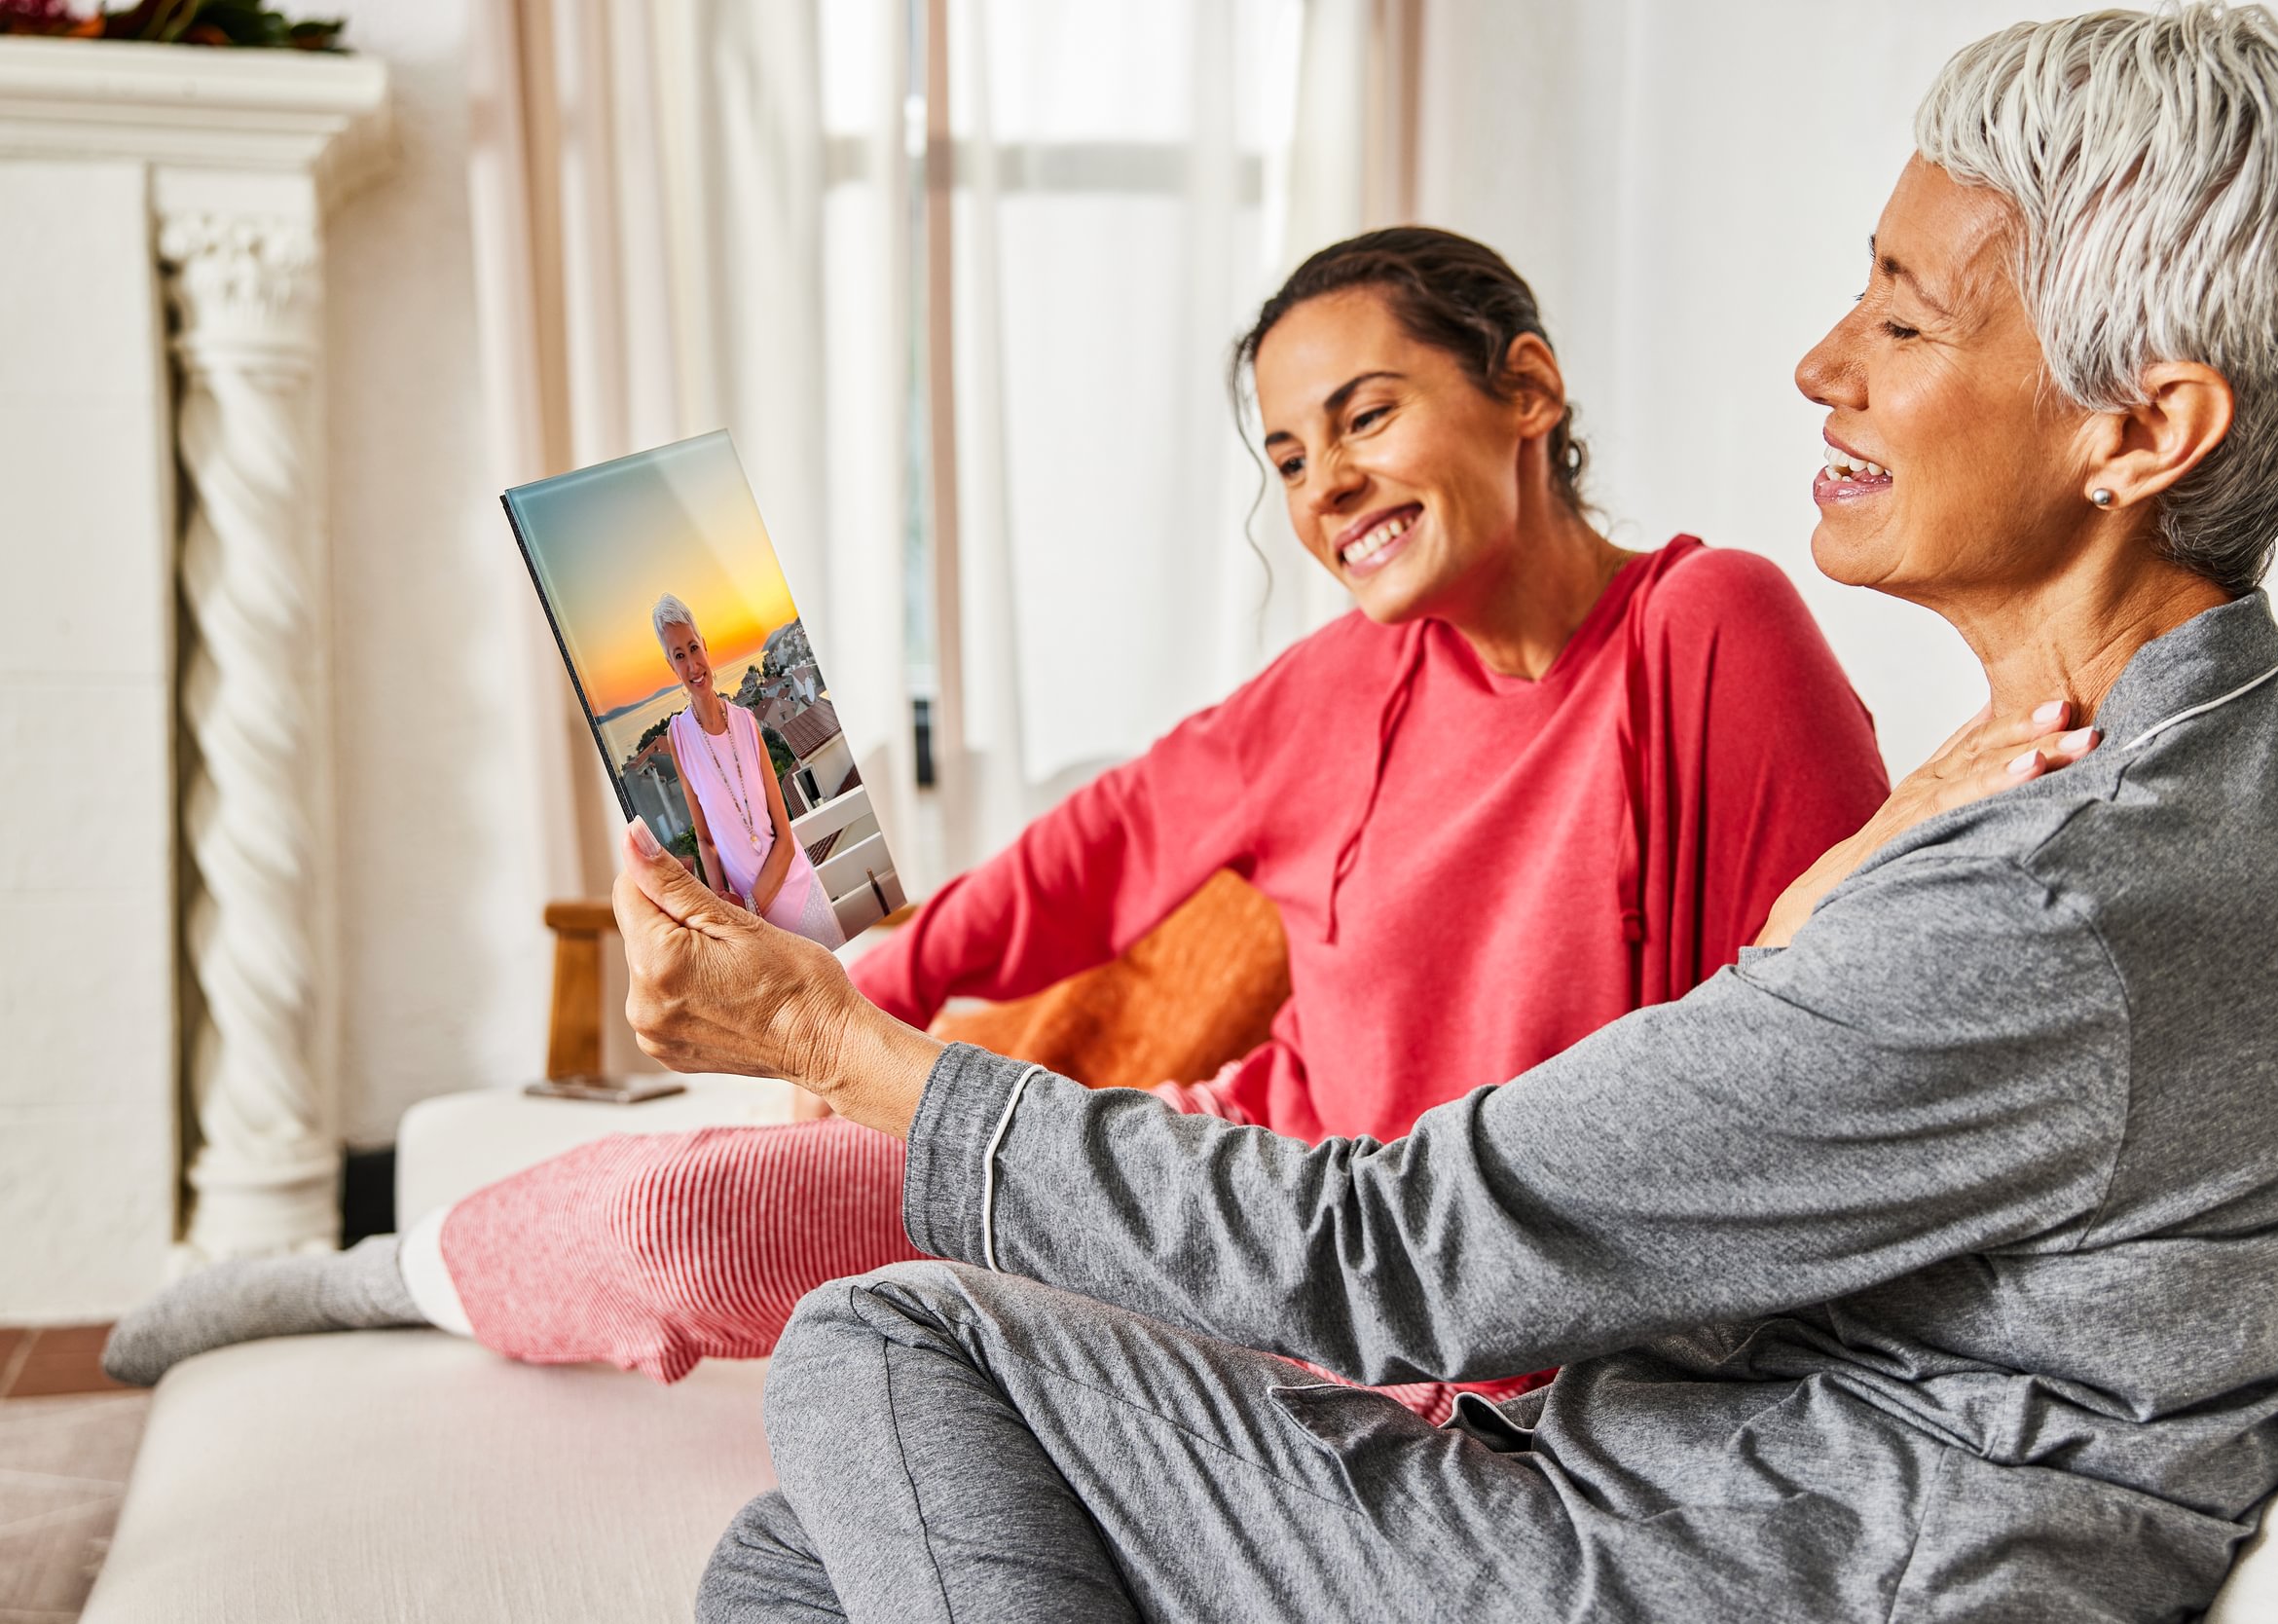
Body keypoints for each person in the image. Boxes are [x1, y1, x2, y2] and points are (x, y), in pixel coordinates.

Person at [613, 9, 2278, 1621]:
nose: (1822, 364)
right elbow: (1099, 863)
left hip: (1738, 1550)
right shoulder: (2182, 782)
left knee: (892, 1336)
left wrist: (837, 1044)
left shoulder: (2045, 869)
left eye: (1901, 315)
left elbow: (1404, 1251)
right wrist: (1835, 905)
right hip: (1676, 1459)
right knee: (796, 1556)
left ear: (2144, 430)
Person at [102, 231, 1909, 1415]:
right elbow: (1096, 852)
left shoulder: (1706, 628)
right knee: (702, 1217)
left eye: (1367, 413)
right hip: (1209, 1192)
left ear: (1527, 390)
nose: (1330, 481)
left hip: (1444, 1296)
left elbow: (1830, 1032)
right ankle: (371, 1277)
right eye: (1287, 457)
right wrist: (849, 978)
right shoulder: (1337, 686)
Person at [650, 594, 847, 949]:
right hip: (755, 928)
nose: (692, 665)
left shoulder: (747, 723)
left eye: (694, 648)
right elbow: (706, 840)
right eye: (679, 655)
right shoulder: (678, 737)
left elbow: (785, 839)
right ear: (671, 665)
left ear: (705, 647)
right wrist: (725, 912)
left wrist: (749, 908)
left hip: (798, 895)